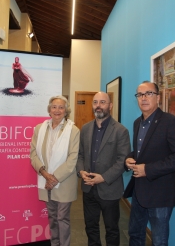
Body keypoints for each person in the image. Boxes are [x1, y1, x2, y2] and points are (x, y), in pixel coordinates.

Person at [124, 81, 175, 246]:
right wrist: (129, 158)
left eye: (149, 94)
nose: (144, 98)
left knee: (159, 241)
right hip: (139, 191)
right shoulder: (137, 123)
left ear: (158, 98)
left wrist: (148, 169)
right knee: (135, 235)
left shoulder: (170, 122)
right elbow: (142, 151)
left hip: (160, 194)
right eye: (140, 95)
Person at [76, 92, 130, 246]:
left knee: (112, 229)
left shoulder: (121, 131)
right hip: (88, 189)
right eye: (95, 102)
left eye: (102, 102)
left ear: (110, 106)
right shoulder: (85, 129)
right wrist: (81, 171)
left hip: (109, 188)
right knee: (91, 227)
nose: (98, 105)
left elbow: (122, 161)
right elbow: (80, 155)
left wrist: (103, 177)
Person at [30, 95, 80, 246]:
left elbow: (72, 159)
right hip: (45, 180)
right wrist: (46, 175)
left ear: (66, 111)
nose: (57, 110)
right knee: (52, 217)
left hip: (64, 182)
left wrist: (54, 178)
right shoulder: (39, 129)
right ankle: (55, 243)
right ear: (49, 110)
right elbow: (33, 153)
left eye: (61, 107)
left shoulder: (74, 130)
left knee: (62, 217)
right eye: (54, 107)